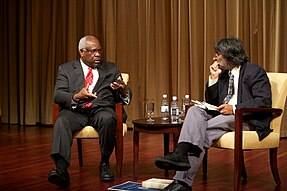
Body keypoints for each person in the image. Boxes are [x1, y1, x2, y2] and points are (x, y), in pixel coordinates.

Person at [155, 37, 272, 191]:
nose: (214, 58)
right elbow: (212, 101)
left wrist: (235, 108)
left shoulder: (254, 71)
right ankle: (181, 159)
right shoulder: (224, 74)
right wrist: (213, 78)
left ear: (228, 54)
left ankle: (181, 179)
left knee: (201, 131)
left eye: (217, 54)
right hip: (222, 117)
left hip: (246, 119)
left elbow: (263, 101)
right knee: (195, 111)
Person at [48, 35, 132, 187]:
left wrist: (124, 90)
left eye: (99, 51)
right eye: (93, 51)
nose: (98, 54)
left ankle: (105, 163)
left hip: (101, 109)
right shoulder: (66, 69)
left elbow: (124, 93)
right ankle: (60, 169)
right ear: (82, 52)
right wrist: (76, 96)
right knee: (62, 120)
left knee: (108, 119)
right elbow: (58, 94)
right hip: (76, 111)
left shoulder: (111, 68)